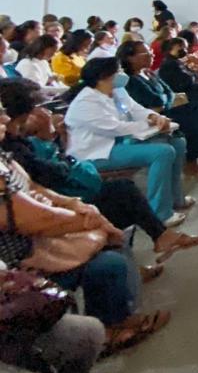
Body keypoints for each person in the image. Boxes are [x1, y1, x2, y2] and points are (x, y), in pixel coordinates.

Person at [0, 78, 198, 261]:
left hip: (75, 188)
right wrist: (49, 137)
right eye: (38, 107)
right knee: (125, 192)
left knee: (128, 189)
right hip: (70, 192)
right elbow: (55, 175)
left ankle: (154, 242)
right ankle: (155, 238)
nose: (45, 112)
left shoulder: (21, 141)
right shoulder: (16, 148)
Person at [0, 142, 170, 357]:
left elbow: (35, 189)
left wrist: (75, 206)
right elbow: (34, 218)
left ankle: (115, 319)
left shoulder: (5, 156)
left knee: (113, 231)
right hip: (18, 268)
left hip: (41, 241)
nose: (3, 117)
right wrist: (90, 222)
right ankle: (107, 332)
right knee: (107, 260)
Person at [64, 57, 192, 225]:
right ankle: (161, 213)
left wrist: (154, 117)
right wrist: (151, 125)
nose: (122, 74)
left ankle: (176, 197)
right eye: (118, 71)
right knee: (162, 152)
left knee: (177, 142)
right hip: (98, 153)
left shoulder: (117, 90)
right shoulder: (85, 102)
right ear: (104, 76)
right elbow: (115, 127)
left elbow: (135, 109)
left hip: (120, 143)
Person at [119, 40, 198, 177]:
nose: (151, 55)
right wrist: (164, 101)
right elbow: (156, 100)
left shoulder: (149, 73)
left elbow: (168, 94)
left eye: (151, 51)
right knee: (197, 111)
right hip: (152, 120)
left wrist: (164, 101)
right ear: (130, 58)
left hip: (165, 112)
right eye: (146, 53)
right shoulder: (130, 80)